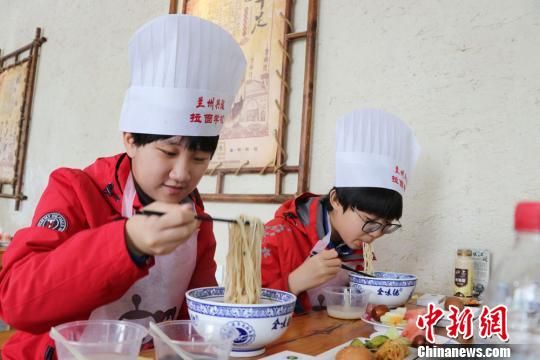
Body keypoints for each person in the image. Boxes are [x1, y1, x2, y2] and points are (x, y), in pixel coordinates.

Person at [0, 14, 246, 359]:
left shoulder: (195, 220)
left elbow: (195, 316)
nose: (182, 173)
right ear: (130, 139)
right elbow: (15, 301)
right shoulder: (76, 190)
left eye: (199, 159)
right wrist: (127, 241)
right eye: (168, 152)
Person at [261, 108, 421, 313]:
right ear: (336, 200)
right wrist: (293, 283)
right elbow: (242, 305)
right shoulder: (275, 236)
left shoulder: (358, 245)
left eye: (386, 226)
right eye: (370, 221)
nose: (376, 235)